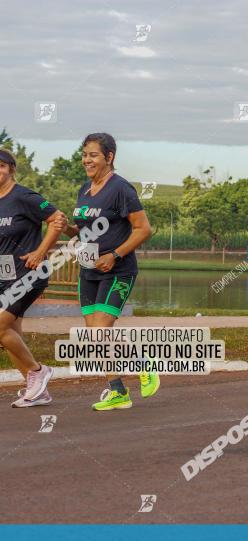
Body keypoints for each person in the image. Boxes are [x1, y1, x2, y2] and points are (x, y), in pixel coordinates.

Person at [57, 133, 158, 410]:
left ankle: (143, 364)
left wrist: (114, 255)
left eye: (93, 155)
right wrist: (66, 227)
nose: (86, 160)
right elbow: (83, 230)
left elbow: (144, 229)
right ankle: (118, 391)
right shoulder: (84, 190)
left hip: (118, 270)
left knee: (101, 330)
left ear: (109, 157)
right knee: (94, 336)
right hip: (88, 270)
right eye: (84, 154)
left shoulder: (121, 189)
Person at [0, 149, 67, 407]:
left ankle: (39, 372)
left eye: (2, 166)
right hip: (5, 276)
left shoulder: (24, 196)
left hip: (29, 273)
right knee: (9, 333)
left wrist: (41, 252)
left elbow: (57, 219)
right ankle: (37, 391)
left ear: (12, 169)